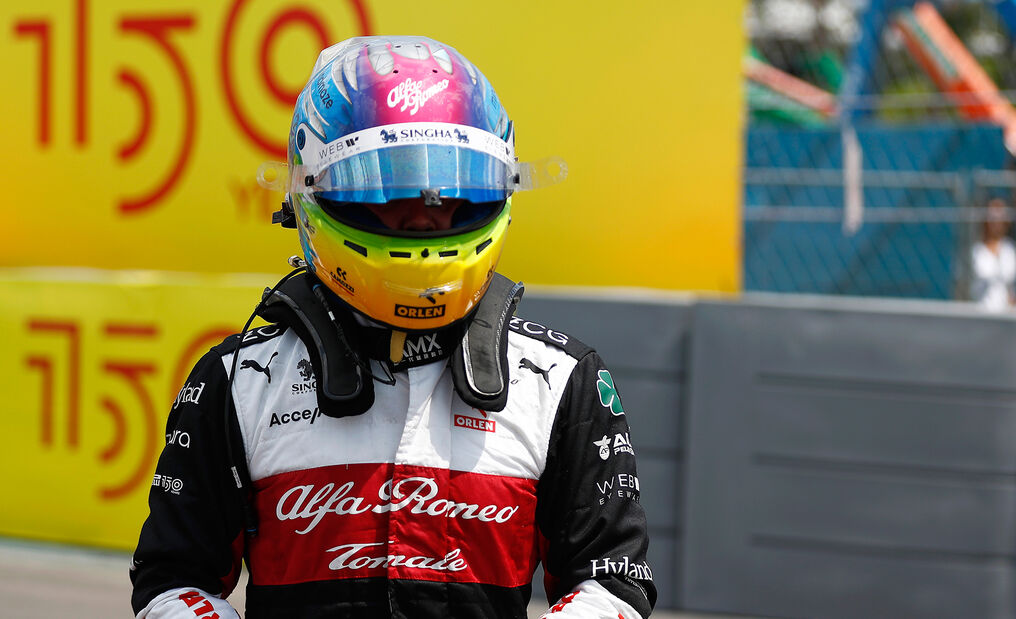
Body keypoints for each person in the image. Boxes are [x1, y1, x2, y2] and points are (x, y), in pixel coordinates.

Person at [130, 36, 657, 618]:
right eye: (390, 187)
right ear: (314, 195)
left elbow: (613, 582)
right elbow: (173, 580)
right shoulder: (240, 381)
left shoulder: (560, 384)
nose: (425, 215)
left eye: (453, 188)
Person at [969, 198, 1016, 311]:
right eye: (993, 216)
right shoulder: (977, 250)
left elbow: (1011, 287)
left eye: (1000, 216)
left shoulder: (1009, 249)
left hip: (1005, 316)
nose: (996, 221)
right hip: (981, 313)